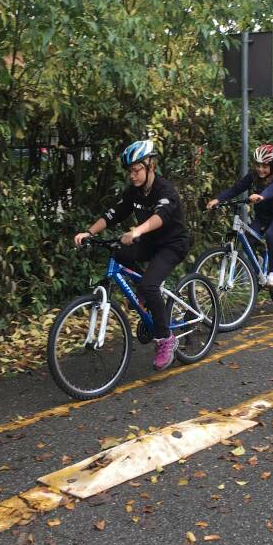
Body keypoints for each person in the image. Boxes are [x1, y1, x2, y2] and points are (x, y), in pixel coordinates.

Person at [74, 140, 190, 372]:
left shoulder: (165, 190)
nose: (132, 176)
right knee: (119, 253)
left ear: (151, 166)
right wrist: (89, 232)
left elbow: (160, 217)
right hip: (150, 242)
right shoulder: (134, 192)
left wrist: (137, 230)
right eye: (130, 171)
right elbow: (113, 214)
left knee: (149, 284)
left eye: (136, 170)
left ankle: (165, 339)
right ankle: (146, 290)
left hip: (173, 244)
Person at [206, 143, 273, 287]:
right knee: (247, 243)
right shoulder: (253, 176)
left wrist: (261, 196)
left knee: (270, 235)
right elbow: (236, 189)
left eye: (265, 166)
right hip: (261, 219)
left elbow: (271, 191)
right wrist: (217, 199)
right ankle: (261, 262)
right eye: (258, 165)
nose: (260, 169)